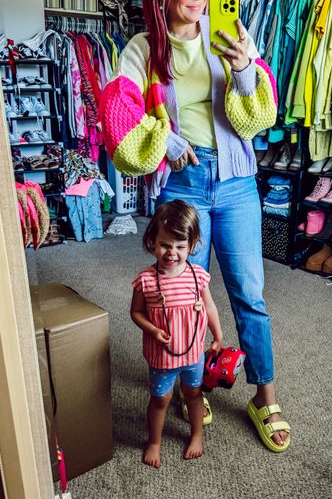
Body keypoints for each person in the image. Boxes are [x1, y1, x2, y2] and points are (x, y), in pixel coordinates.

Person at [100, 0, 291, 453]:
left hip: (235, 182)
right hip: (182, 186)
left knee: (249, 292)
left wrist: (245, 70)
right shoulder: (142, 51)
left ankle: (264, 395)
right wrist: (167, 141)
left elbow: (257, 119)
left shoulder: (228, 34)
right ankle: (193, 383)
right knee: (183, 295)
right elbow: (121, 126)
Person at [131, 199, 223, 467]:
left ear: (192, 246)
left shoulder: (198, 275)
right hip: (162, 354)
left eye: (181, 246)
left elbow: (209, 306)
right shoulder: (145, 280)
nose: (172, 253)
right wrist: (152, 329)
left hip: (193, 351)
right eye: (165, 245)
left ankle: (197, 435)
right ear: (152, 242)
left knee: (194, 394)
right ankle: (154, 441)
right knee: (160, 398)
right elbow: (135, 313)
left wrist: (217, 335)